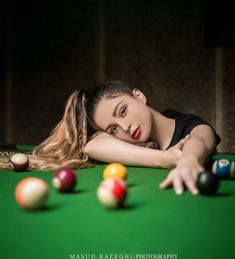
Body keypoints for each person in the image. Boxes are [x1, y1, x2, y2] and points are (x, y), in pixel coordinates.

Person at [0, 80, 220, 195]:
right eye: (113, 129)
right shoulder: (125, 145)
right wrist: (167, 159)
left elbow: (201, 139)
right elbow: (94, 146)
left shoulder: (188, 124)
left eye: (122, 111)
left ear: (139, 96)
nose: (125, 127)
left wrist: (188, 160)